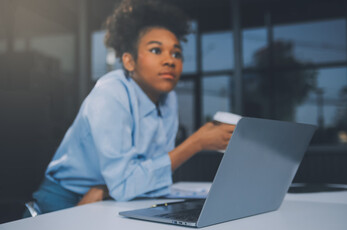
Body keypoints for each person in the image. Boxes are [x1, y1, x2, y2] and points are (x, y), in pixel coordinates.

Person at [24, 0, 235, 216]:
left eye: (176, 54)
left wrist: (106, 189)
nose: (169, 61)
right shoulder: (110, 94)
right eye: (156, 50)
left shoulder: (168, 98)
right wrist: (196, 143)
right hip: (65, 199)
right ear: (129, 61)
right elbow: (129, 182)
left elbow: (149, 176)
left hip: (110, 196)